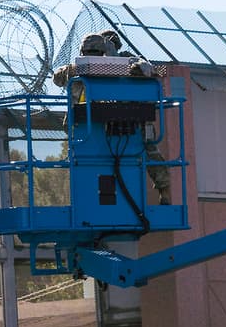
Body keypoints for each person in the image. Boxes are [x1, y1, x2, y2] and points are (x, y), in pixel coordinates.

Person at [52, 30, 172, 205]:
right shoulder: (80, 68)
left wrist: (127, 64)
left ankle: (165, 190)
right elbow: (57, 77)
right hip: (89, 123)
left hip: (128, 119)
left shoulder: (127, 61)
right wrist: (80, 68)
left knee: (148, 148)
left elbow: (155, 70)